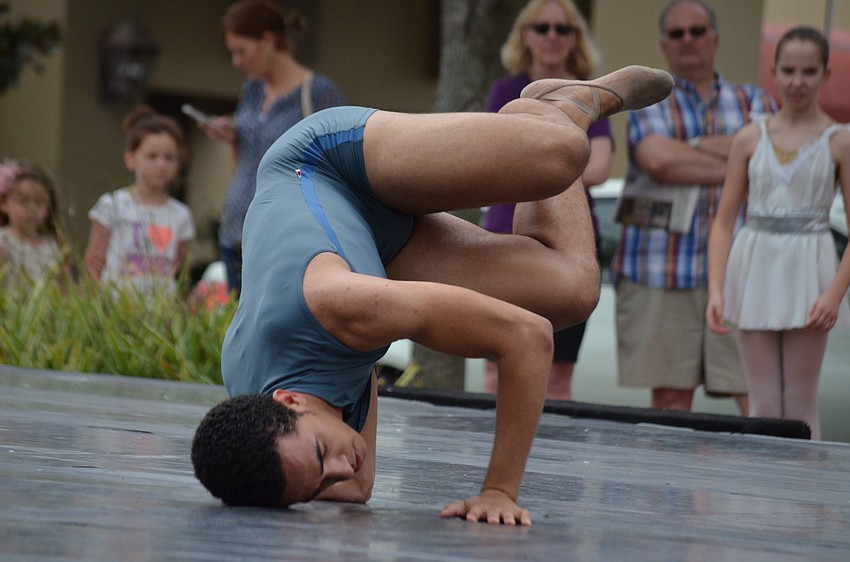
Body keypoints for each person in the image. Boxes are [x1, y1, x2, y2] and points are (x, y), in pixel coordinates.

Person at [190, 64, 674, 526]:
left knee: (560, 155)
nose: (340, 470)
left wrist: (499, 491)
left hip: (327, 166)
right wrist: (321, 471)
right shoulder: (263, 432)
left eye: (321, 458)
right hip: (372, 248)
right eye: (317, 487)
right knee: (572, 291)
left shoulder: (343, 306)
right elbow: (357, 485)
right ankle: (551, 112)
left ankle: (553, 111)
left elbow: (527, 336)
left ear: (289, 401)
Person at [611, 0, 776, 414]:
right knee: (669, 400)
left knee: (756, 396)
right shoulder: (645, 100)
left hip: (743, 274)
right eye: (677, 33)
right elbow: (659, 161)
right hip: (661, 270)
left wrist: (692, 148)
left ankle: (755, 480)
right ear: (664, 46)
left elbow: (773, 164)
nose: (688, 40)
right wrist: (740, 159)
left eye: (697, 31)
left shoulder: (757, 100)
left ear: (715, 39)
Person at [706, 26, 850, 440]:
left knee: (801, 404)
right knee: (764, 402)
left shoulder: (838, 142)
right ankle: (760, 503)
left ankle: (800, 500)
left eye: (808, 71)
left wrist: (834, 294)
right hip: (755, 267)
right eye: (788, 70)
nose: (797, 81)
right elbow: (723, 220)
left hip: (811, 269)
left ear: (825, 74)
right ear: (774, 71)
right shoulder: (750, 137)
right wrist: (717, 289)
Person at [480, 0, 613, 400]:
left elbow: (601, 167)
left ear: (576, 38)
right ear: (526, 35)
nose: (552, 36)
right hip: (503, 246)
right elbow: (491, 159)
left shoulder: (591, 94)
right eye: (542, 28)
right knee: (496, 368)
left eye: (563, 28)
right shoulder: (505, 91)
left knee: (557, 378)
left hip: (570, 251)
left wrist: (531, 163)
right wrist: (566, 161)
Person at [201, 0, 345, 297]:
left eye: (241, 51)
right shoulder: (252, 89)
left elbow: (339, 163)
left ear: (268, 41)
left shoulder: (318, 93)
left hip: (284, 235)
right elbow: (248, 160)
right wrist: (232, 135)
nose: (236, 62)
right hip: (236, 230)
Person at [84, 106, 196, 295]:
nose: (161, 164)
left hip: (160, 310)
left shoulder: (181, 214)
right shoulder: (112, 205)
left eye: (169, 157)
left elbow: (176, 267)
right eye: (152, 156)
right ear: (130, 159)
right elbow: (93, 262)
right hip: (114, 305)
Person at [0, 160, 71, 289]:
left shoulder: (54, 244)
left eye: (39, 202)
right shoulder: (3, 241)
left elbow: (63, 287)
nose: (32, 209)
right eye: (22, 201)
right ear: (3, 204)